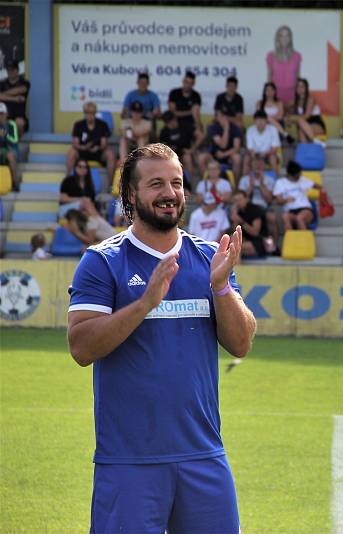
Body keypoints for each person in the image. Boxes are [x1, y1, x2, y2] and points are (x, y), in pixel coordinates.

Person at [67, 143, 255, 533]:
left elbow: (241, 343)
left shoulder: (208, 259)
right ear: (132, 194)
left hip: (203, 457)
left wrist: (221, 288)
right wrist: (145, 303)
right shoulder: (103, 261)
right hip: (128, 463)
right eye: (156, 184)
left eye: (176, 183)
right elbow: (81, 347)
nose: (170, 193)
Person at [66, 101, 116, 179]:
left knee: (110, 154)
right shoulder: (78, 125)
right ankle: (68, 181)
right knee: (71, 152)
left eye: (92, 113)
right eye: (87, 113)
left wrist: (98, 148)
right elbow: (75, 144)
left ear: (95, 113)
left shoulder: (102, 125)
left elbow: (104, 144)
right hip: (82, 152)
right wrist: (84, 147)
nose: (89, 115)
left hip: (98, 152)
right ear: (84, 113)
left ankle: (110, 185)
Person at [273, 160, 318, 232]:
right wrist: (286, 200)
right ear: (290, 175)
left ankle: (304, 241)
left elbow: (319, 187)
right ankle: (291, 240)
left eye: (299, 174)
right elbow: (278, 201)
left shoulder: (303, 180)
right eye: (297, 176)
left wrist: (324, 192)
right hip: (291, 211)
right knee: (285, 216)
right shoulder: (280, 182)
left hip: (305, 209)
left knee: (299, 218)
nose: (299, 177)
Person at [199, 109, 243, 179]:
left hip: (229, 156)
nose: (221, 118)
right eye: (219, 116)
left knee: (237, 158)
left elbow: (236, 147)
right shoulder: (213, 127)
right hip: (214, 156)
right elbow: (222, 145)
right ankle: (207, 182)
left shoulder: (235, 128)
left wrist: (224, 154)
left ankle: (234, 186)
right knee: (201, 158)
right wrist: (226, 129)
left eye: (223, 116)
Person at [168, 71, 204, 150]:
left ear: (193, 84)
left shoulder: (196, 95)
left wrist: (198, 125)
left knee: (200, 135)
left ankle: (191, 151)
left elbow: (196, 113)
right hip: (176, 122)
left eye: (190, 83)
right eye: (186, 82)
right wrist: (190, 112)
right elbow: (172, 112)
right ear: (183, 81)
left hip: (190, 123)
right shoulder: (174, 93)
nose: (188, 85)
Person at [267, 25, 301, 106]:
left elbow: (298, 77)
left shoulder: (297, 56)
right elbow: (269, 78)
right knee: (278, 118)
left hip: (292, 94)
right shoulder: (271, 56)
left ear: (290, 38)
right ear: (278, 38)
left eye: (287, 35)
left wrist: (298, 97)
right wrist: (269, 97)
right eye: (281, 36)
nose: (284, 38)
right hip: (276, 94)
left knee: (291, 118)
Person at [229, 189, 269, 258]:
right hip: (245, 240)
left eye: (240, 200)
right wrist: (235, 218)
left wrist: (241, 221)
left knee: (235, 247)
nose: (238, 202)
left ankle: (237, 266)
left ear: (246, 199)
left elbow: (255, 233)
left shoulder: (255, 210)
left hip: (259, 242)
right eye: (236, 201)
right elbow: (235, 231)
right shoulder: (238, 211)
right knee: (232, 240)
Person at [287, 78, 326, 143]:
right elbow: (284, 108)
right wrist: (287, 118)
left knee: (300, 121)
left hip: (316, 125)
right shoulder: (295, 101)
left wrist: (292, 121)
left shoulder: (311, 99)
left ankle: (316, 142)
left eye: (302, 86)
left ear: (306, 88)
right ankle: (306, 151)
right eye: (298, 86)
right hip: (304, 126)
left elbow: (307, 116)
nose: (300, 88)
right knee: (301, 131)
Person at [159, 111, 194, 178]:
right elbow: (162, 146)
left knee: (188, 158)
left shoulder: (184, 127)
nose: (171, 123)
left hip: (184, 152)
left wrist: (192, 149)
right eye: (168, 122)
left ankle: (189, 185)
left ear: (175, 119)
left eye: (171, 120)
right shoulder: (164, 132)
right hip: (171, 154)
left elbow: (200, 136)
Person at [0, 60, 29, 135]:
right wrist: (15, 99)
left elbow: (20, 90)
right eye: (8, 70)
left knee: (19, 122)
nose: (10, 72)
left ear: (17, 70)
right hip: (5, 116)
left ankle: (18, 143)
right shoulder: (2, 84)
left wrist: (3, 95)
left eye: (12, 69)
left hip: (19, 116)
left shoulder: (24, 82)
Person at [0, 102, 18, 190]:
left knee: (11, 155)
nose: (0, 116)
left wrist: (5, 135)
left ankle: (15, 183)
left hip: (9, 149)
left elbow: (15, 140)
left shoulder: (11, 124)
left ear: (6, 114)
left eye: (2, 113)